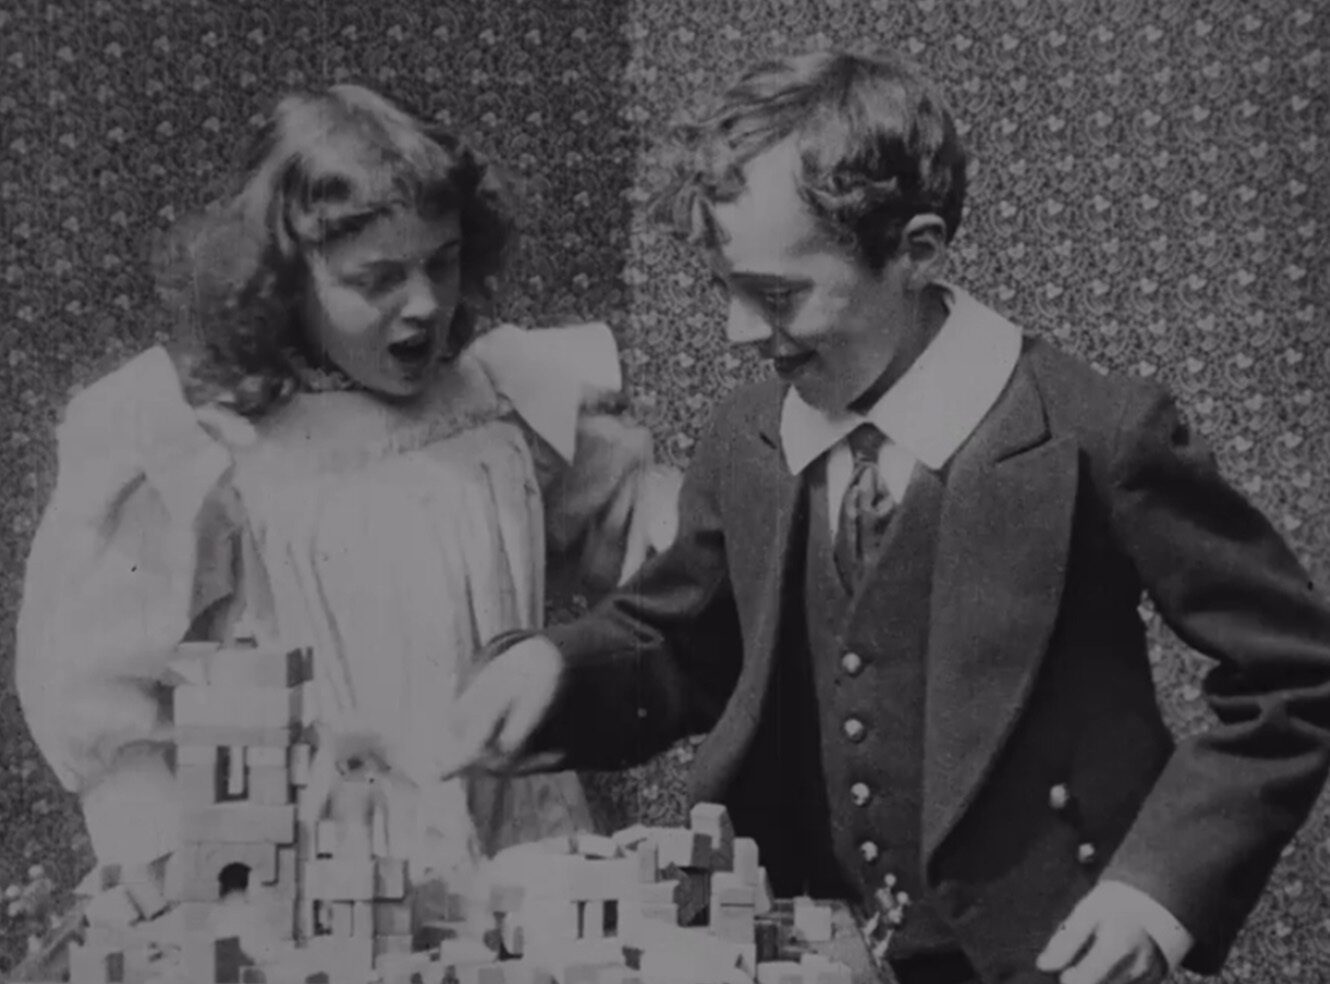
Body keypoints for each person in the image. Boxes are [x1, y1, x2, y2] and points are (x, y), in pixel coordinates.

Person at [440, 50, 1330, 984]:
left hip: (1046, 957)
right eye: (723, 290)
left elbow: (1295, 672)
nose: (738, 332)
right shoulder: (749, 436)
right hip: (803, 947)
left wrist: (1155, 892)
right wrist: (553, 669)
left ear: (917, 252)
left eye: (776, 295)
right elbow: (682, 642)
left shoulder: (1096, 432)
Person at [16, 84, 677, 912]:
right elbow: (96, 686)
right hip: (316, 870)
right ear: (287, 280)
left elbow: (651, 545)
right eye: (379, 278)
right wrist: (177, 876)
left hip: (516, 848)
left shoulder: (495, 403)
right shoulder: (215, 446)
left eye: (442, 261)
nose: (425, 302)